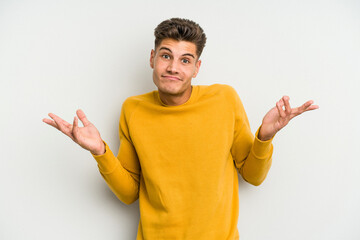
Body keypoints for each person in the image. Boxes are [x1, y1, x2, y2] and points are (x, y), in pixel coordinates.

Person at [43, 18, 318, 240]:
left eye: (185, 60)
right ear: (152, 58)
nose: (173, 68)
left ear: (197, 67)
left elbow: (253, 176)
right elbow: (129, 193)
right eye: (166, 56)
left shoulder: (224, 99)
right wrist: (100, 151)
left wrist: (264, 137)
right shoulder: (133, 109)